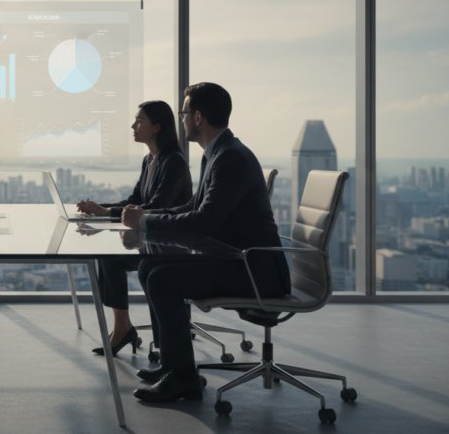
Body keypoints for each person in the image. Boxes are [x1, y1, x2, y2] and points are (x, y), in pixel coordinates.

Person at [120, 82, 290, 403]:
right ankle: (174, 364)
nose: (181, 120)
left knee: (162, 279)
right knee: (149, 266)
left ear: (197, 117)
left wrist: (144, 221)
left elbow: (203, 221)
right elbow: (194, 206)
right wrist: (148, 216)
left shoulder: (230, 158)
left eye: (183, 113)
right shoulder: (219, 153)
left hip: (252, 269)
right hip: (234, 258)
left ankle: (183, 378)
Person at [75, 101, 192, 356]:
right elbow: (135, 201)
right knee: (110, 259)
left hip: (171, 244)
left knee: (146, 268)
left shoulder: (174, 161)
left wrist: (106, 213)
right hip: (151, 240)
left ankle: (167, 349)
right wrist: (100, 208)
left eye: (139, 121)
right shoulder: (149, 160)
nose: (133, 126)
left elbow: (156, 207)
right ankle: (123, 327)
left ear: (157, 127)